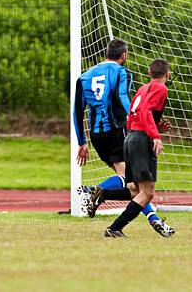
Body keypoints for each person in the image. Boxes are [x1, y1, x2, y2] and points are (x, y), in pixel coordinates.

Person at [72, 38, 165, 235]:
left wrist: (82, 142)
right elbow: (122, 97)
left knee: (130, 183)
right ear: (124, 55)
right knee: (133, 183)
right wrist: (139, 123)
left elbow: (77, 111)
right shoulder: (122, 72)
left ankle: (153, 219)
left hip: (97, 135)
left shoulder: (85, 77)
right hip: (118, 130)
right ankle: (96, 192)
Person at [90, 59, 175, 238]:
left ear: (148, 72)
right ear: (167, 74)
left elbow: (134, 117)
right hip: (141, 141)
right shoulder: (161, 88)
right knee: (147, 192)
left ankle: (102, 194)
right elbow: (145, 112)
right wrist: (155, 136)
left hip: (130, 138)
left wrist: (149, 130)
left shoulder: (142, 89)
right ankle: (114, 228)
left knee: (135, 189)